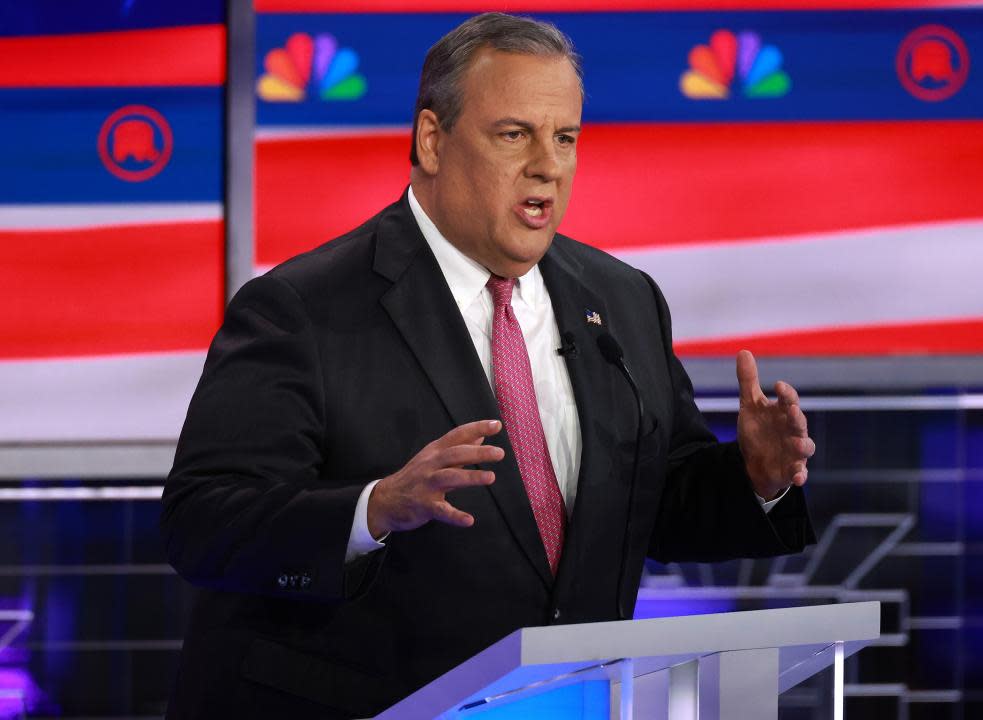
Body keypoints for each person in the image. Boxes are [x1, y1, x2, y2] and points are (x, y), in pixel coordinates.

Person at [161, 13, 816, 719]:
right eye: (515, 135)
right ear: (432, 141)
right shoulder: (301, 308)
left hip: (567, 701)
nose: (549, 164)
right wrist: (372, 509)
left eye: (565, 137)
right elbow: (205, 524)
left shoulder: (622, 301)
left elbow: (654, 508)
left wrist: (756, 481)